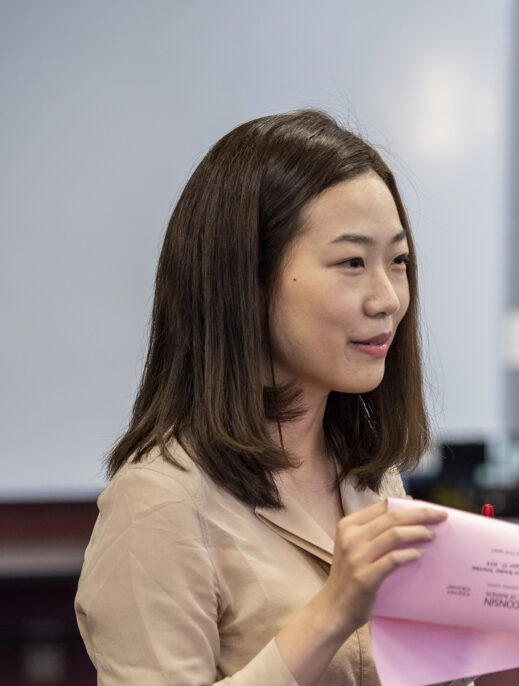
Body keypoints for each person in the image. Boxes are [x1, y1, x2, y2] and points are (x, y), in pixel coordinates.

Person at [75, 110, 462, 685]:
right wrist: (332, 612)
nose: (387, 298)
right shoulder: (158, 505)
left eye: (398, 261)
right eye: (352, 262)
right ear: (247, 280)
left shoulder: (369, 477)